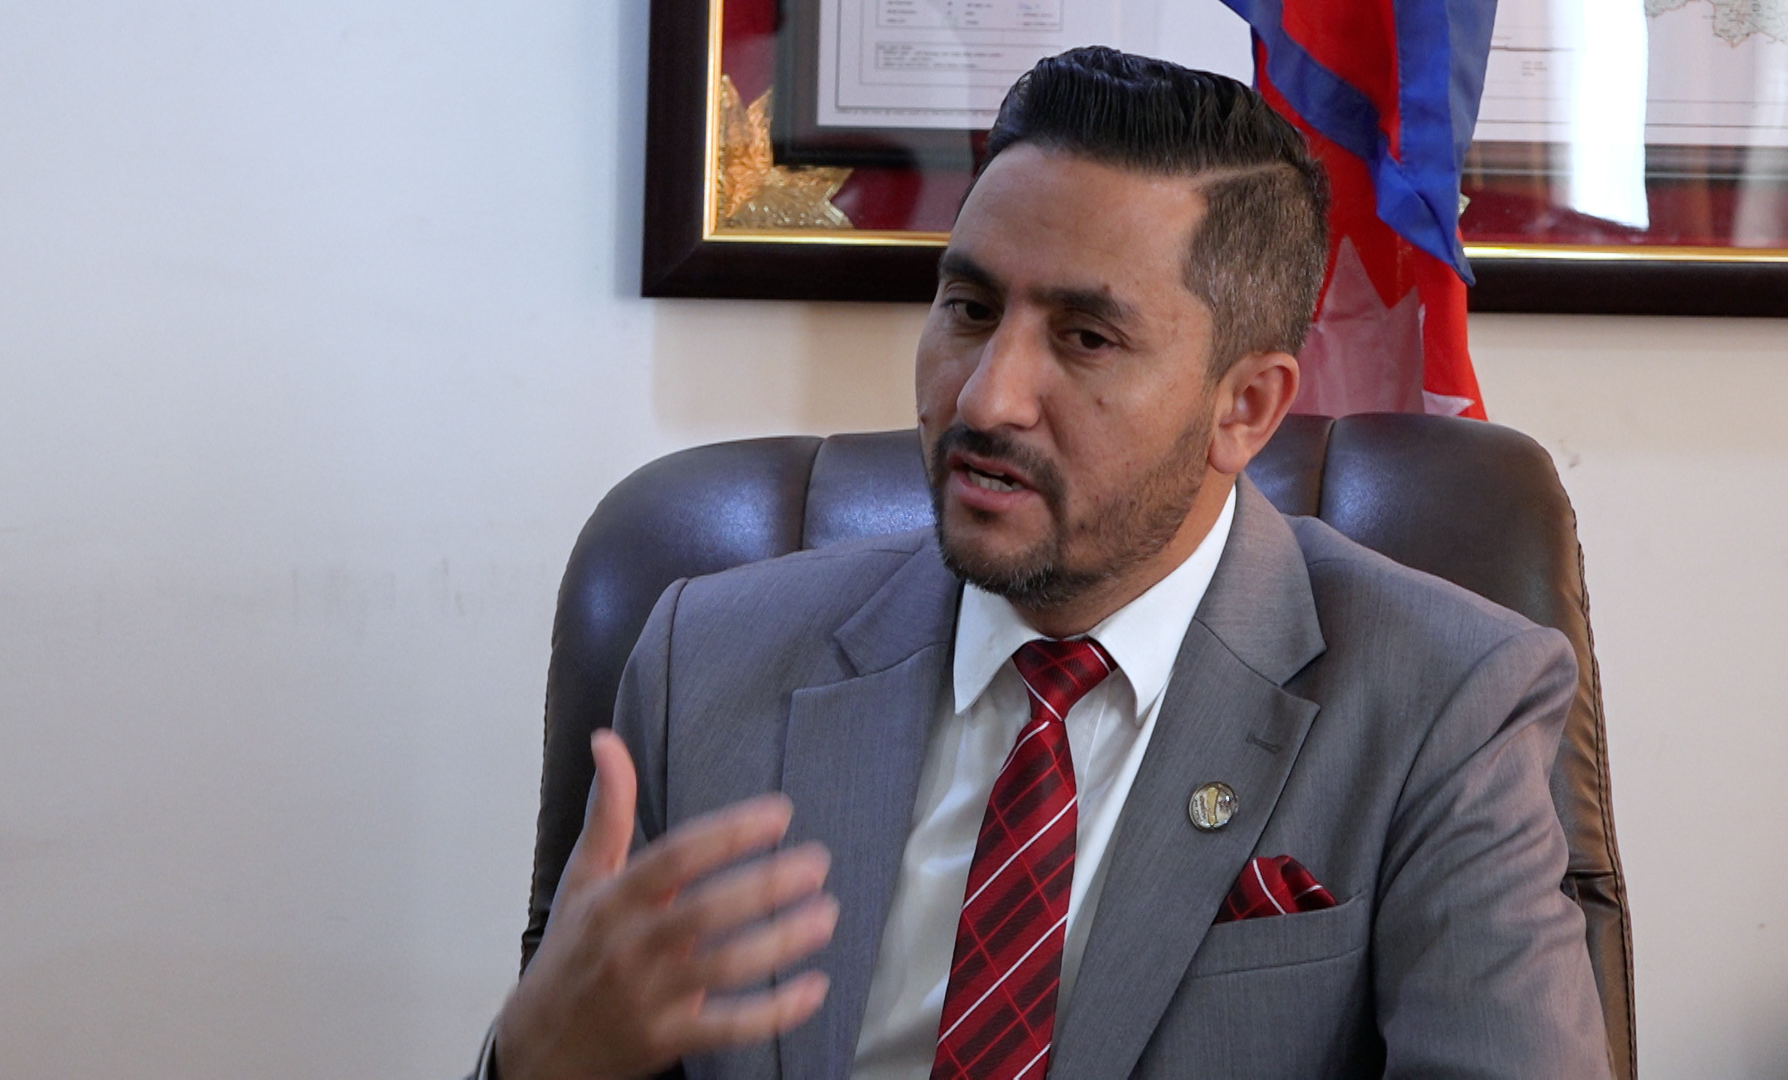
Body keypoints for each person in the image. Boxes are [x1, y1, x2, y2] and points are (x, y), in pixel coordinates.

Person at [481, 48, 1612, 1080]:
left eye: (1085, 338)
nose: (986, 397)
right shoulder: (708, 664)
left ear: (1245, 407)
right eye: (970, 308)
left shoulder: (1441, 701)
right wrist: (537, 1062)